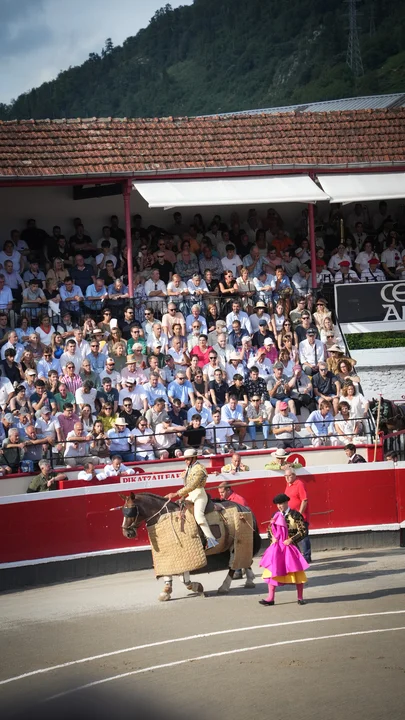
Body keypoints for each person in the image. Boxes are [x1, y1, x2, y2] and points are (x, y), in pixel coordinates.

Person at [259, 493, 309, 606]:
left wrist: (291, 540)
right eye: (277, 504)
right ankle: (270, 598)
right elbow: (269, 529)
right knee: (272, 571)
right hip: (277, 548)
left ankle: (300, 597)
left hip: (290, 547)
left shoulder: (295, 515)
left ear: (286, 502)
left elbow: (303, 531)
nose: (279, 506)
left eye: (281, 504)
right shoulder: (275, 515)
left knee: (296, 571)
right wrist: (272, 538)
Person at [165, 448, 218, 549]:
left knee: (199, 515)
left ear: (194, 458)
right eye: (185, 459)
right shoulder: (189, 468)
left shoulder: (200, 469)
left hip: (199, 495)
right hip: (191, 495)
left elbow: (192, 485)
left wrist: (176, 493)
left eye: (188, 459)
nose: (186, 461)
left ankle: (211, 540)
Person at [284, 467, 311, 563]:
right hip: (291, 516)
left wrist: (299, 514)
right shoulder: (288, 485)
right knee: (294, 536)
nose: (287, 478)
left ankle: (307, 556)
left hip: (300, 516)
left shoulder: (299, 484)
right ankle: (298, 556)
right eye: (285, 476)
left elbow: (304, 500)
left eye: (289, 476)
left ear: (294, 475)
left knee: (303, 536)